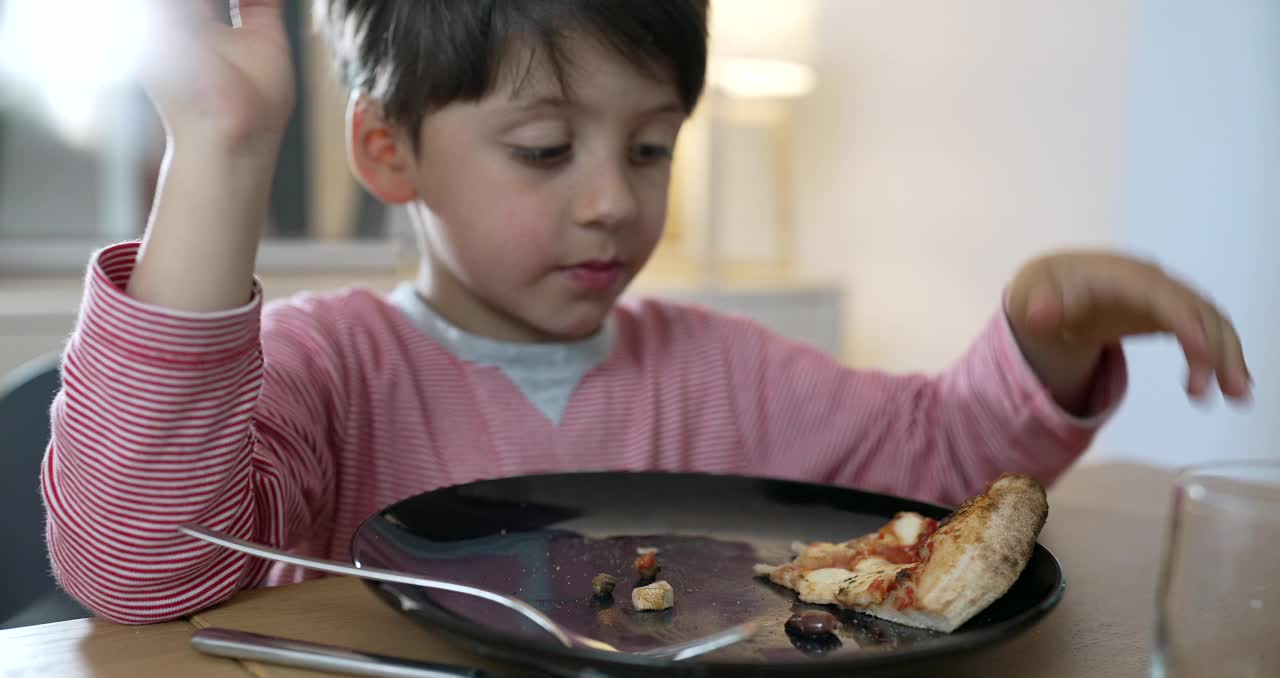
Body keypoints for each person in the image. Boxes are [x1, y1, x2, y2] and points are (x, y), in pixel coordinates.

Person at [40, 0, 1250, 624]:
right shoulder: (329, 369)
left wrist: (1040, 341)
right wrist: (221, 146)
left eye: (654, 146)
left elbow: (935, 471)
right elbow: (142, 569)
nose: (613, 202)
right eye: (545, 147)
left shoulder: (726, 371)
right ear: (387, 151)